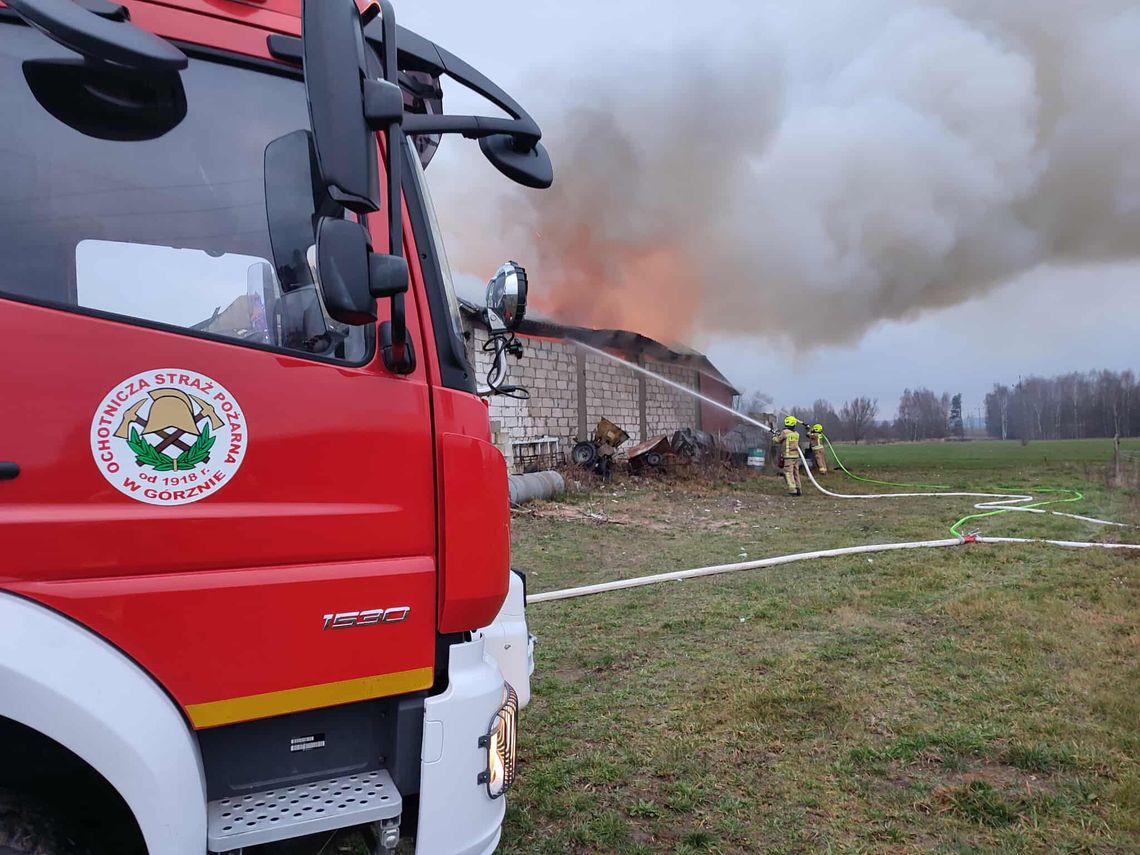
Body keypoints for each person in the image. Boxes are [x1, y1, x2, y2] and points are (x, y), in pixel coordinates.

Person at [772, 416, 802, 496]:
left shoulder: (785, 432)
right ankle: (798, 489)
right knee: (796, 473)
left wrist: (774, 436)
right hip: (796, 457)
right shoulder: (796, 434)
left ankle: (792, 490)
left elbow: (778, 440)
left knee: (788, 473)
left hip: (788, 457)